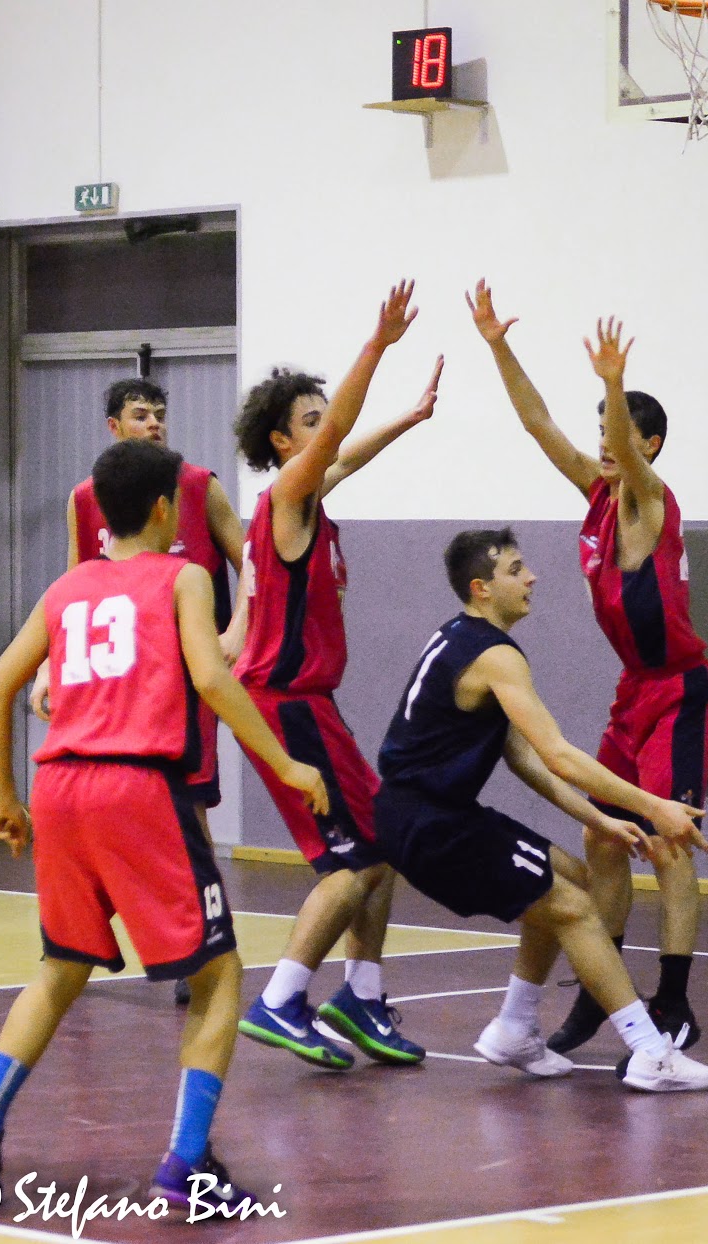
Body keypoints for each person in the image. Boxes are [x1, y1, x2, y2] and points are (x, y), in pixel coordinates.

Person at [0, 439, 329, 1211]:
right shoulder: (183, 577)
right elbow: (212, 676)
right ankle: (187, 1165)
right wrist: (286, 767)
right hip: (138, 790)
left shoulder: (68, 586)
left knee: (60, 968)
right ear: (163, 509)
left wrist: (2, 800)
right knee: (219, 976)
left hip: (59, 788)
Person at [373, 528, 708, 1092]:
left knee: (564, 877)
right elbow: (559, 754)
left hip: (430, 813)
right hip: (429, 823)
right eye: (515, 569)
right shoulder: (495, 655)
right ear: (481, 588)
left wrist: (605, 819)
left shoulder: (462, 640)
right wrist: (654, 807)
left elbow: (524, 760)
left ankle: (514, 1027)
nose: (531, 577)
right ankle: (649, 1051)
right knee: (571, 908)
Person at [469, 284, 708, 1055]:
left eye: (619, 433)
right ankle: (602, 999)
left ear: (647, 446)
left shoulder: (652, 502)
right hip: (633, 691)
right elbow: (537, 421)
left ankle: (674, 1001)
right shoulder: (599, 497)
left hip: (681, 689)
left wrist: (613, 383)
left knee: (669, 838)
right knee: (606, 839)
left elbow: (619, 440)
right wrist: (497, 344)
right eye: (604, 432)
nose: (605, 442)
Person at [231, 280, 442, 1071]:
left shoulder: (307, 496)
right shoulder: (288, 495)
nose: (327, 434)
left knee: (381, 844)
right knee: (351, 865)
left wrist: (410, 419)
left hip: (309, 704)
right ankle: (282, 999)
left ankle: (361, 994)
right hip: (286, 705)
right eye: (311, 423)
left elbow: (348, 447)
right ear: (285, 444)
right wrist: (377, 345)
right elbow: (341, 435)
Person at [31, 377, 247, 1008]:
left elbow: (251, 560)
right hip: (110, 675)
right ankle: (78, 937)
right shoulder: (85, 498)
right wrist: (48, 664)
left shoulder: (199, 486)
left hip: (181, 671)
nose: (154, 423)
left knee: (190, 804)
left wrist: (238, 628)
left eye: (160, 414)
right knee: (101, 807)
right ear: (113, 427)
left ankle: (195, 944)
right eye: (140, 415)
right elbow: (75, 582)